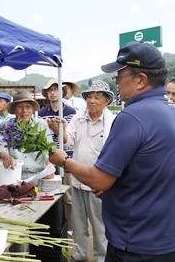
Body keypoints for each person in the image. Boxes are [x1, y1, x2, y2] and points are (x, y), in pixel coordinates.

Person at [49, 41, 175, 261]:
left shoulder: (133, 116)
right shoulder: (173, 112)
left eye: (120, 76)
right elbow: (153, 173)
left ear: (141, 80)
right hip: (173, 239)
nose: (116, 81)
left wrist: (64, 161)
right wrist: (117, 191)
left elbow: (99, 180)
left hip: (140, 245)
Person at [54, 80, 114, 262]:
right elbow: (68, 140)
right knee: (79, 222)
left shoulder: (113, 122)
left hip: (99, 183)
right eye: (89, 97)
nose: (92, 101)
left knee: (99, 225)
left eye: (97, 97)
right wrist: (59, 130)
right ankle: (79, 255)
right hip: (79, 180)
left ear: (107, 101)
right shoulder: (79, 118)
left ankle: (101, 258)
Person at [38, 78, 76, 232]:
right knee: (48, 194)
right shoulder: (41, 113)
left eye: (56, 89)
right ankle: (52, 228)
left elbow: (70, 138)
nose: (53, 93)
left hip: (67, 157)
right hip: (48, 158)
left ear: (62, 92)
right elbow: (39, 136)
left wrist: (57, 129)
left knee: (68, 196)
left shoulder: (70, 112)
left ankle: (70, 229)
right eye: (50, 90)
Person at [0, 90, 54, 180]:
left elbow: (50, 150)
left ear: (32, 110)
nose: (24, 111)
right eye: (20, 107)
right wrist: (6, 157)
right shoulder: (6, 126)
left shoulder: (41, 124)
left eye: (28, 107)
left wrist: (50, 167)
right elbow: (1, 149)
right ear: (14, 109)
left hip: (39, 176)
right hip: (14, 174)